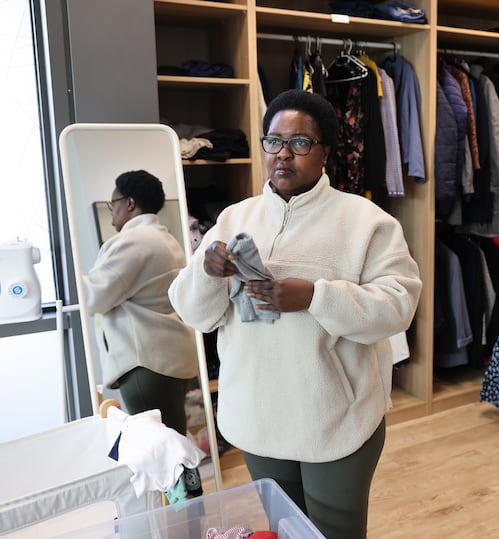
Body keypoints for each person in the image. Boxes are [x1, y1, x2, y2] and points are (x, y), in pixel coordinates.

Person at [168, 89, 422, 539]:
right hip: (257, 418)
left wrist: (315, 298)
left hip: (337, 421)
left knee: (333, 533)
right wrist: (207, 271)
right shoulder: (233, 218)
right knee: (285, 529)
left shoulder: (366, 222)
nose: (283, 153)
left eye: (300, 142)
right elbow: (194, 314)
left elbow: (398, 305)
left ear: (325, 152)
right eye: (274, 140)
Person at [82, 169, 199, 435]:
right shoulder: (165, 238)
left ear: (130, 203)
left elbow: (93, 297)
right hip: (166, 358)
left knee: (159, 449)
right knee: (172, 444)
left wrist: (74, 275)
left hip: (145, 363)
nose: (112, 212)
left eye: (113, 203)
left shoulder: (134, 241)